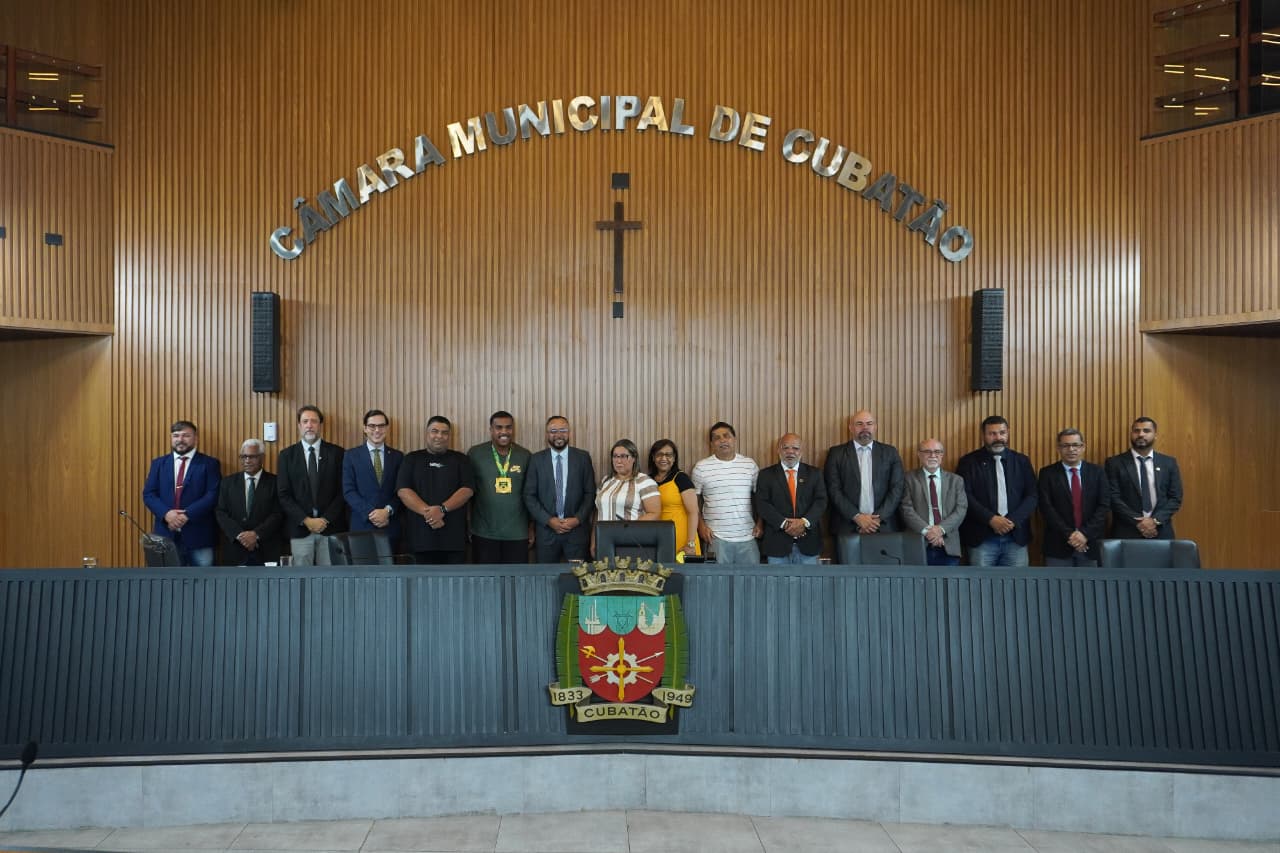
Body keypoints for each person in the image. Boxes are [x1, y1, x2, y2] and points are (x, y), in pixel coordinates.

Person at [824, 410, 905, 563]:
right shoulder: (836, 453)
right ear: (851, 428)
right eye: (859, 424)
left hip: (884, 527)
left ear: (875, 427)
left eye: (869, 424)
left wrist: (875, 519)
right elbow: (833, 490)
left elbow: (897, 488)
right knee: (848, 580)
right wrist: (857, 517)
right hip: (847, 527)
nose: (865, 428)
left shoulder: (890, 452)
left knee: (885, 580)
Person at [956, 415, 1037, 566]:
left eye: (1002, 432)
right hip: (981, 538)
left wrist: (1011, 521)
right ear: (983, 435)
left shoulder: (1021, 461)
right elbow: (965, 495)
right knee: (980, 587)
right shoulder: (968, 462)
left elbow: (1032, 495)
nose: (998, 437)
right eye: (992, 434)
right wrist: (991, 519)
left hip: (1016, 538)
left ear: (1008, 433)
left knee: (1017, 587)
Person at [142, 420, 222, 566]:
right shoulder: (158, 464)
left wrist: (186, 515)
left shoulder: (209, 463)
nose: (180, 440)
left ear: (196, 438)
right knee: (165, 585)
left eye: (186, 436)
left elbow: (212, 495)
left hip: (199, 536)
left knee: (203, 585)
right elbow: (149, 494)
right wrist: (167, 514)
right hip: (165, 535)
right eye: (176, 435)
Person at [396, 416, 475, 564]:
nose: (439, 436)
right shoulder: (411, 459)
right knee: (419, 586)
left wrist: (442, 509)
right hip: (419, 540)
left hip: (453, 541)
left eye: (444, 432)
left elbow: (467, 490)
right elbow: (403, 491)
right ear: (426, 433)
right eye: (435, 431)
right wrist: (431, 514)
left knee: (454, 586)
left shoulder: (461, 459)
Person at [277, 405, 347, 565]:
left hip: (330, 528)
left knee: (330, 580)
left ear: (320, 425)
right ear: (299, 426)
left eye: (314, 421)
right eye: (305, 421)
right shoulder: (287, 456)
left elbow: (343, 491)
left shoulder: (337, 453)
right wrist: (306, 520)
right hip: (300, 529)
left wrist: (326, 519)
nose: (309, 425)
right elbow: (283, 494)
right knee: (302, 581)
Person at [523, 416, 596, 562]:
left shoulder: (582, 457)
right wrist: (549, 520)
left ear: (569, 432)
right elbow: (529, 495)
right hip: (546, 532)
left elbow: (590, 493)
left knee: (578, 578)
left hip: (576, 531)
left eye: (563, 430)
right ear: (547, 434)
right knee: (546, 578)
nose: (558, 435)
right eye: (553, 431)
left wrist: (577, 519)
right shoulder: (536, 460)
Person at [691, 422, 762, 565]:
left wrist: (760, 524)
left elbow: (761, 498)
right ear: (711, 443)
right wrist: (701, 526)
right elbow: (694, 502)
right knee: (717, 584)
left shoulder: (749, 465)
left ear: (734, 439)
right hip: (716, 537)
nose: (722, 440)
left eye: (726, 436)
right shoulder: (701, 467)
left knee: (751, 583)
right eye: (717, 438)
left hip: (747, 536)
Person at [467, 411, 533, 563]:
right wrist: (469, 523)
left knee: (515, 581)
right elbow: (468, 492)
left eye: (508, 427)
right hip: (483, 532)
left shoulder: (525, 455)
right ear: (491, 429)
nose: (504, 432)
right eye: (499, 427)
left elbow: (531, 495)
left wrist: (531, 527)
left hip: (517, 533)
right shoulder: (475, 453)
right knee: (485, 582)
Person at [1038, 428, 1110, 566]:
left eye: (1075, 445)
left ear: (1083, 447)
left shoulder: (1097, 472)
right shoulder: (1047, 473)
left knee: (1090, 587)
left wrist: (1084, 534)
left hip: (1090, 543)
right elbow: (1046, 508)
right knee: (1057, 587)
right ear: (1058, 448)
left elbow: (1104, 506)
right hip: (1058, 545)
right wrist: (1070, 535)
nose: (1071, 449)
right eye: (1065, 445)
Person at [1105, 417, 1184, 540]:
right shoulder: (1114, 463)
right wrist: (1139, 522)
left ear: (1155, 435)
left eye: (1146, 431)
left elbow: (1175, 498)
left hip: (1160, 531)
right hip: (1126, 532)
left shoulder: (1168, 463)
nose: (1141, 434)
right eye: (1136, 431)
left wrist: (1155, 521)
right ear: (1131, 434)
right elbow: (1113, 497)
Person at [754, 433, 828, 564]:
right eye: (785, 448)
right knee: (777, 584)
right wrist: (785, 524)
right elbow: (762, 504)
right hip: (777, 545)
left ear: (801, 451)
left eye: (795, 448)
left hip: (808, 544)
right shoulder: (766, 475)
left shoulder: (814, 474)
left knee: (809, 584)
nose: (790, 452)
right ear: (778, 450)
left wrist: (804, 522)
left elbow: (821, 501)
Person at [342, 409, 404, 551]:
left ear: (387, 428)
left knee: (391, 572)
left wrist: (387, 511)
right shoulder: (351, 456)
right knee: (362, 572)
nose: (377, 430)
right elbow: (349, 491)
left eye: (381, 426)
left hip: (390, 527)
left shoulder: (398, 457)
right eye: (372, 426)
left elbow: (401, 491)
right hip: (361, 527)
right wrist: (372, 513)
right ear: (365, 428)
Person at [215, 438, 284, 566]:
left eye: (252, 457)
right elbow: (221, 512)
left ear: (262, 457)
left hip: (266, 546)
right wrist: (240, 535)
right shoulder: (228, 483)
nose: (247, 461)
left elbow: (278, 514)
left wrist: (255, 534)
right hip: (235, 547)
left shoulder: (276, 482)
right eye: (243, 456)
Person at [899, 438, 967, 566]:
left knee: (948, 585)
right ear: (919, 454)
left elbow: (961, 509)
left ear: (942, 455)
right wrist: (928, 532)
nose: (933, 455)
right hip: (917, 544)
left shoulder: (956, 480)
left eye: (937, 452)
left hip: (948, 545)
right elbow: (906, 509)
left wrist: (940, 530)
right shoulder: (908, 478)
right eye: (927, 452)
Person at [647, 439, 702, 557]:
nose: (663, 458)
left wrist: (690, 543)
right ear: (653, 457)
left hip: (683, 539)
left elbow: (693, 512)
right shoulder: (647, 480)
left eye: (668, 455)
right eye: (659, 454)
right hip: (658, 538)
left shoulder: (681, 478)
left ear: (674, 458)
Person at [595, 439, 662, 523]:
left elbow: (654, 514)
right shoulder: (605, 481)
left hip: (630, 535)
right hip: (604, 535)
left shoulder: (645, 482)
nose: (618, 461)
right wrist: (594, 535)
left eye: (623, 456)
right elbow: (598, 512)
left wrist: (628, 529)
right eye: (615, 456)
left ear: (634, 458)